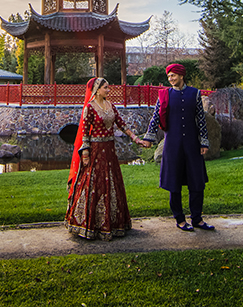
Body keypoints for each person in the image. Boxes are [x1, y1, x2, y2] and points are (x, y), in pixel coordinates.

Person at [65, 77, 150, 240]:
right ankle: (91, 224)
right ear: (97, 90)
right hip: (96, 151)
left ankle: (113, 223)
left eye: (108, 87)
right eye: (105, 87)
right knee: (93, 184)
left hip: (110, 151)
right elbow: (84, 132)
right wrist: (85, 153)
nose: (108, 90)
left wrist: (136, 139)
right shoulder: (89, 108)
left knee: (112, 183)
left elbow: (122, 124)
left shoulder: (111, 106)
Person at [142, 63, 214, 232]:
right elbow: (155, 118)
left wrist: (204, 142)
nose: (171, 79)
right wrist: (149, 138)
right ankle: (180, 219)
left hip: (192, 144)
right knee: (173, 183)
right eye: (169, 77)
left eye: (173, 75)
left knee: (197, 182)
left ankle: (197, 218)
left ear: (182, 76)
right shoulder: (164, 95)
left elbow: (201, 120)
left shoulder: (194, 93)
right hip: (172, 145)